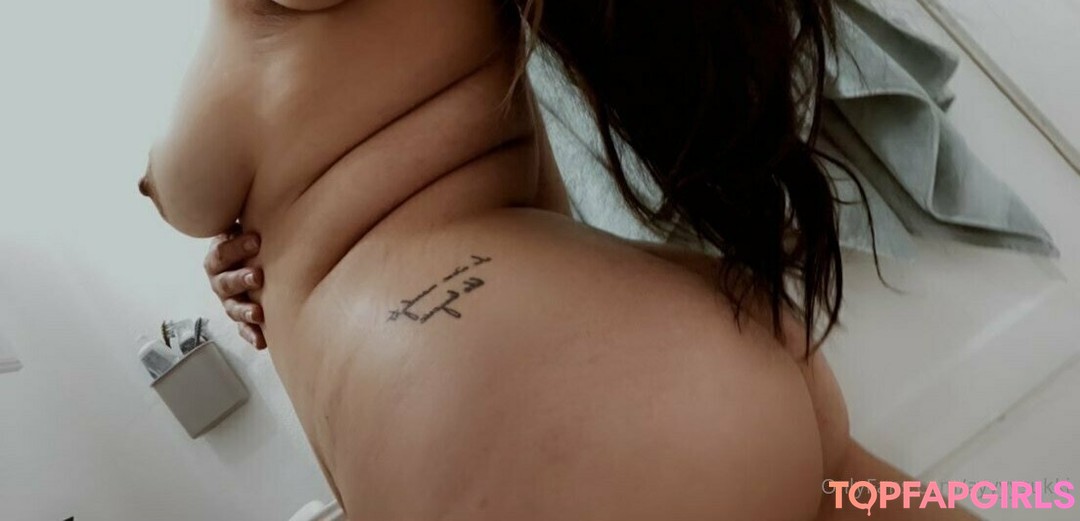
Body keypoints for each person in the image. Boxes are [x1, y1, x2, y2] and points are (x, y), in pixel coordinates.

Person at [142, 0, 980, 518]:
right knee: (853, 490)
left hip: (509, 427)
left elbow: (180, 188)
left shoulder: (253, 29)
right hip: (702, 336)